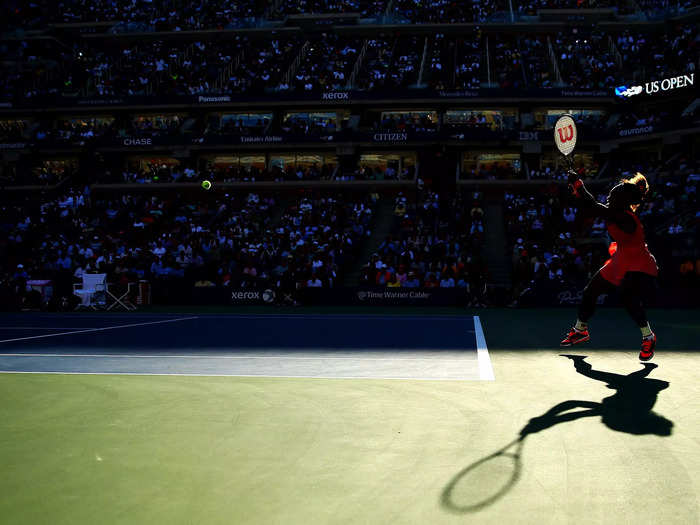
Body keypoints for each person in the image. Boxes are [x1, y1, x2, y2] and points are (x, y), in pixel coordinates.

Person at [560, 171, 659, 361]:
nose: (609, 197)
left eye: (612, 195)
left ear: (621, 200)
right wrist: (577, 186)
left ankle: (648, 336)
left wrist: (578, 184)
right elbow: (593, 207)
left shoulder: (625, 217)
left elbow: (593, 206)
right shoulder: (616, 213)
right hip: (621, 258)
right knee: (590, 291)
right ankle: (580, 330)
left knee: (627, 296)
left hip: (638, 262)